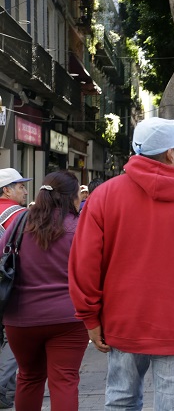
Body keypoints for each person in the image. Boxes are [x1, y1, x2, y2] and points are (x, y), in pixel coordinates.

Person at [69, 117, 174, 410]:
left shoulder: (104, 197)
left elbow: (84, 263)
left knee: (121, 401)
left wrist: (90, 317)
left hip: (123, 321)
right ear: (170, 154)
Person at [0, 171, 88, 409]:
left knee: (28, 377)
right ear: (71, 197)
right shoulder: (80, 228)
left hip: (20, 318)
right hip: (69, 317)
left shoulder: (18, 223)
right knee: (65, 380)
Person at [0, 168, 31, 409]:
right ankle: (3, 388)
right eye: (20, 186)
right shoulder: (18, 216)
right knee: (12, 339)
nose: (25, 190)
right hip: (10, 287)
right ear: (6, 190)